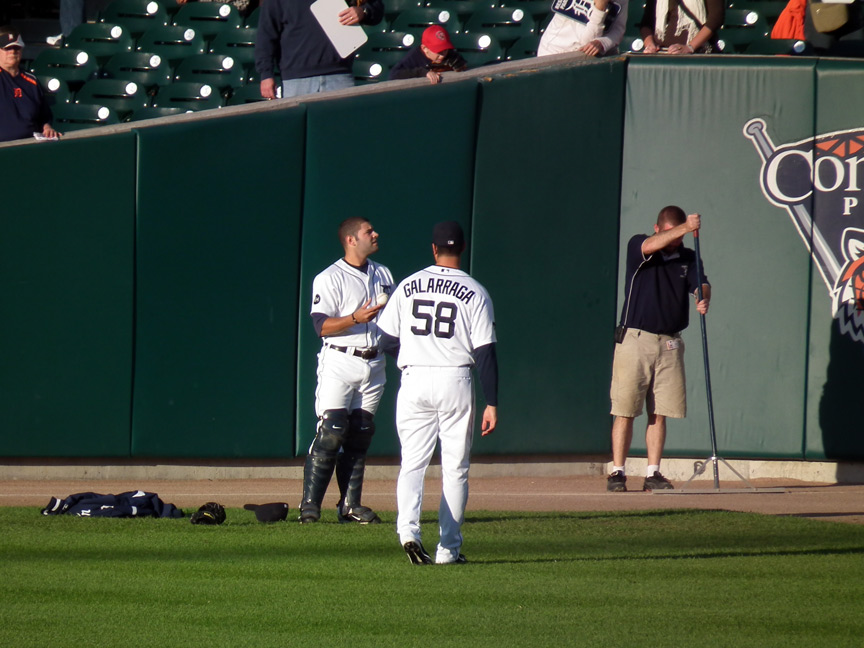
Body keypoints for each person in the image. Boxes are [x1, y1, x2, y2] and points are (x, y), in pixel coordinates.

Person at [377, 221, 498, 566]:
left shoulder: (409, 285)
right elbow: (485, 352)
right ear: (462, 248)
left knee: (412, 463)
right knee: (455, 469)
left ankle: (408, 532)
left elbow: (385, 339)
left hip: (413, 377)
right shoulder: (475, 291)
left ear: (433, 249)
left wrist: (414, 351)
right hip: (454, 379)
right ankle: (448, 550)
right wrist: (492, 401)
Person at [608, 206, 710, 492]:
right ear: (658, 228)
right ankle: (618, 472)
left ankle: (653, 472)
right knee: (625, 409)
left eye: (680, 237)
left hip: (670, 341)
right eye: (671, 235)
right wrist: (685, 228)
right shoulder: (640, 247)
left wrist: (702, 297)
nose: (677, 242)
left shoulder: (688, 257)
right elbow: (652, 244)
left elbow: (700, 283)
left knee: (660, 412)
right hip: (635, 339)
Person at [300, 217, 395, 524]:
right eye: (369, 231)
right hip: (340, 360)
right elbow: (321, 326)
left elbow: (394, 323)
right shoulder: (329, 277)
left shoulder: (383, 273)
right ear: (352, 240)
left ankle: (350, 506)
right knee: (333, 431)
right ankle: (310, 507)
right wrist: (355, 317)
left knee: (361, 433)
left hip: (374, 361)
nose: (375, 233)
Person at [254, 0, 384, 100]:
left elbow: (377, 7)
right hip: (296, 80)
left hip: (339, 75)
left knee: (340, 132)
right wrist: (266, 74)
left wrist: (363, 11)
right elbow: (266, 35)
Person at [0, 27, 61, 143]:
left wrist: (47, 127)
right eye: (7, 48)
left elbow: (43, 116)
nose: (12, 52)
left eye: (16, 47)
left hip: (28, 146)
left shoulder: (31, 81)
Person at [538, 0, 628, 57]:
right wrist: (600, 8)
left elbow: (618, 30)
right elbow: (585, 42)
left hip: (587, 57)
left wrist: (602, 42)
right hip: (554, 52)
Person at [388, 25, 467, 85]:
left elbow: (462, 66)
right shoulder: (414, 57)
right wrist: (422, 72)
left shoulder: (449, 55)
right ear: (425, 48)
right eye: (438, 51)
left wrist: (460, 64)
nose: (442, 55)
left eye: (445, 50)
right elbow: (394, 75)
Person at [639, 0, 725, 53]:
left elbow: (716, 19)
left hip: (696, 54)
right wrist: (650, 45)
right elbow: (647, 23)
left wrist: (690, 47)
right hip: (662, 54)